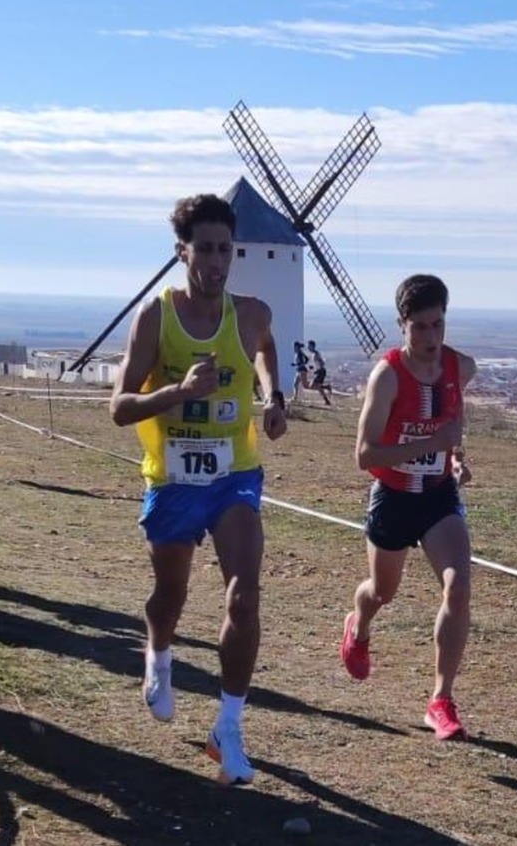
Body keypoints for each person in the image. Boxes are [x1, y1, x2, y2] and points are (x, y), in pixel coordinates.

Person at [109, 193, 288, 785]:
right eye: (204, 249)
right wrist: (176, 393)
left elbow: (264, 348)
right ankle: (158, 651)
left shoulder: (253, 312)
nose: (216, 261)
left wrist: (273, 397)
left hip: (234, 476)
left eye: (224, 249)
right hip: (174, 478)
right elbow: (119, 407)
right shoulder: (156, 318)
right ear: (183, 251)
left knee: (246, 594)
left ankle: (228, 727)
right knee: (170, 596)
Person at [341, 273, 476, 740]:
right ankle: (358, 626)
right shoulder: (388, 377)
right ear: (402, 325)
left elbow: (454, 417)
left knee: (458, 590)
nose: (430, 337)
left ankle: (441, 700)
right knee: (382, 592)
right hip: (394, 496)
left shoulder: (461, 367)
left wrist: (456, 457)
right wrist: (434, 441)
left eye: (437, 324)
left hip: (438, 496)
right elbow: (365, 455)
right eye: (419, 327)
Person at [306, 340, 332, 405]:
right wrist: (313, 368)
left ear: (312, 346)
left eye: (309, 346)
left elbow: (322, 363)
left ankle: (327, 387)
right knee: (318, 387)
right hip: (320, 371)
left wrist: (318, 369)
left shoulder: (316, 354)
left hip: (321, 372)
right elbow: (318, 363)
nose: (308, 347)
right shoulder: (314, 354)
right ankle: (327, 401)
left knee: (312, 386)